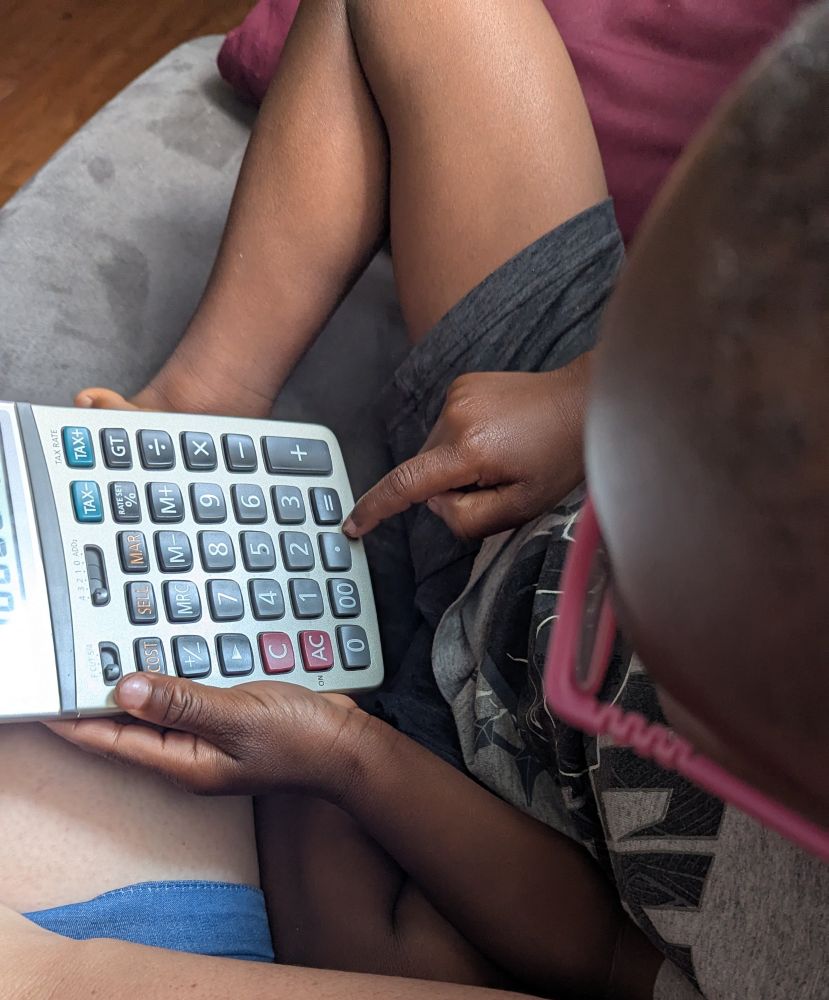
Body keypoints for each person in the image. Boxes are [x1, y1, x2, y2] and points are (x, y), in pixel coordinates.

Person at [2, 3, 827, 1000]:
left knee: (390, 954)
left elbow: (613, 960)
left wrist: (345, 754)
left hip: (531, 816)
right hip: (574, 447)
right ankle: (201, 400)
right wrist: (595, 401)